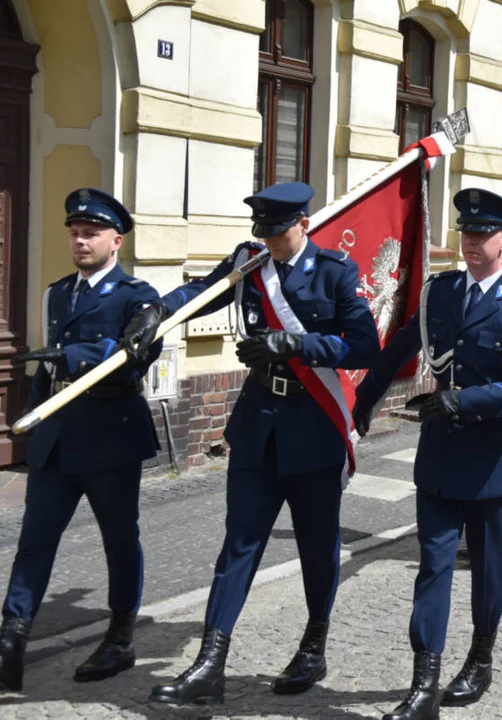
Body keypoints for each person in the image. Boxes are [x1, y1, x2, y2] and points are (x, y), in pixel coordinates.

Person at [123, 182, 380, 705]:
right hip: (258, 426)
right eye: (263, 232)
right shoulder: (251, 261)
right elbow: (203, 293)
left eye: (280, 232)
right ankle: (209, 664)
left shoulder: (335, 272)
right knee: (238, 544)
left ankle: (313, 645)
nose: (271, 241)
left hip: (313, 429)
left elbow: (365, 347)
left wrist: (297, 343)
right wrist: (156, 310)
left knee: (316, 546)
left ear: (303, 225)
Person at [352, 188, 502, 720]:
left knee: (490, 569)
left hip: (493, 459)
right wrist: (363, 400)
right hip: (441, 456)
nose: (470, 242)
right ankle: (424, 681)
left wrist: (467, 399)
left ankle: (481, 657)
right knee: (433, 566)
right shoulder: (440, 293)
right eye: (465, 232)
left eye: (482, 234)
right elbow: (401, 345)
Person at [0, 189, 160, 692]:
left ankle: (120, 637)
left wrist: (78, 357)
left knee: (119, 538)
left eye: (90, 233)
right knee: (35, 540)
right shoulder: (57, 291)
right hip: (57, 436)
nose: (80, 241)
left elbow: (136, 357)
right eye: (74, 233)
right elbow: (47, 373)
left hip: (110, 435)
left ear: (116, 240)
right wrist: (31, 420)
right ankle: (11, 641)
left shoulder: (140, 296)